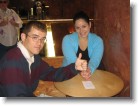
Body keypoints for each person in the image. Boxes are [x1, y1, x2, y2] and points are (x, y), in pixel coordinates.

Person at [0, 21, 90, 97]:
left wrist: (75, 67)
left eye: (42, 39)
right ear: (23, 37)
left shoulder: (34, 58)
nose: (39, 43)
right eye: (35, 37)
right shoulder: (12, 61)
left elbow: (52, 73)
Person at [62, 11, 104, 77]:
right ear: (75, 28)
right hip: (71, 72)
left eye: (84, 26)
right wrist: (80, 71)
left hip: (91, 72)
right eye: (78, 28)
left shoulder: (97, 41)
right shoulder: (67, 40)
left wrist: (88, 70)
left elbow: (95, 60)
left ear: (89, 25)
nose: (81, 31)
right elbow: (71, 60)